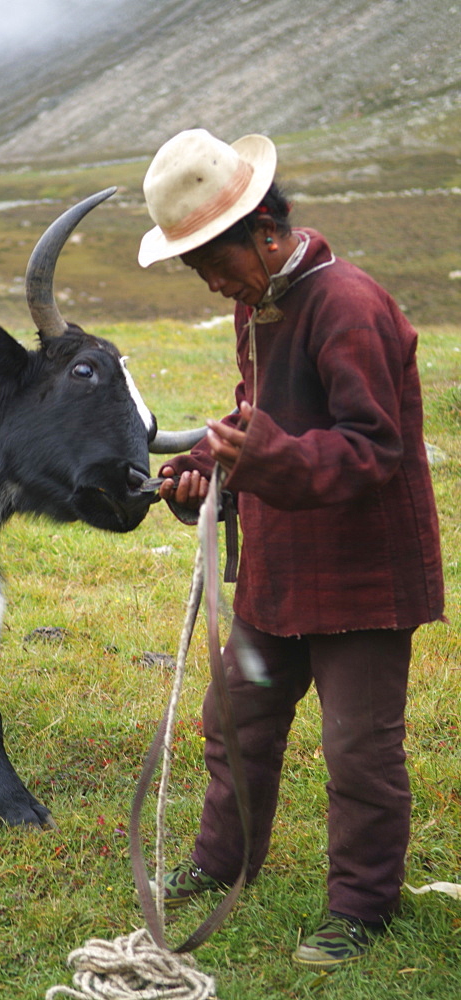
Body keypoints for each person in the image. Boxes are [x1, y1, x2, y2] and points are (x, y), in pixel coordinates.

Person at [138, 128, 445, 970]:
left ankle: (361, 906)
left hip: (363, 580)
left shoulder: (348, 305)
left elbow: (375, 450)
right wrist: (204, 466)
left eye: (211, 257)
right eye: (194, 262)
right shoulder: (261, 301)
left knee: (359, 749)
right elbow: (256, 412)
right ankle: (221, 859)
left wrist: (259, 459)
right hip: (281, 569)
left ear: (263, 231)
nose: (206, 278)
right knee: (236, 716)